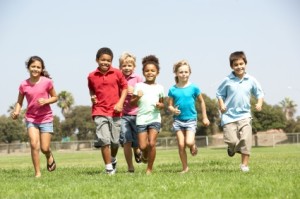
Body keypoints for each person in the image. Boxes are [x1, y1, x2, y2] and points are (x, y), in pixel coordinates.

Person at [216, 51, 264, 172]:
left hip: (245, 115)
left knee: (246, 140)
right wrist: (221, 105)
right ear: (232, 66)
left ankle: (244, 165)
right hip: (228, 116)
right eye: (236, 64)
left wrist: (259, 103)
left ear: (245, 63)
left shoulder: (251, 80)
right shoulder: (227, 80)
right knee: (231, 140)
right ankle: (232, 148)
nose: (239, 67)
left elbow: (259, 93)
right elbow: (219, 94)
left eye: (241, 63)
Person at [11, 56, 58, 178]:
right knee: (33, 144)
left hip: (46, 118)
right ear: (28, 68)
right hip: (31, 118)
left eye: (38, 67)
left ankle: (49, 155)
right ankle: (37, 173)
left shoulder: (47, 82)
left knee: (44, 148)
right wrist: (16, 111)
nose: (35, 69)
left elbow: (55, 97)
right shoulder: (24, 85)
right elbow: (19, 102)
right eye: (33, 66)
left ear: (41, 69)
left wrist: (46, 101)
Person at [88, 47, 128, 175]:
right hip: (99, 111)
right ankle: (109, 168)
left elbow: (125, 88)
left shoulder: (117, 73)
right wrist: (93, 97)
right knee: (104, 140)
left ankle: (113, 158)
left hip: (115, 112)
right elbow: (92, 90)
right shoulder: (91, 76)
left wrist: (120, 102)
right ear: (97, 60)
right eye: (102, 60)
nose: (105, 62)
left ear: (112, 61)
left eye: (108, 60)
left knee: (115, 142)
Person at [168, 60, 210, 173]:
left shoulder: (194, 88)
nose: (183, 74)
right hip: (178, 121)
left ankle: (193, 146)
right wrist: (172, 109)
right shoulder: (172, 89)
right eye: (181, 72)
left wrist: (205, 117)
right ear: (176, 73)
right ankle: (185, 168)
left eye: (186, 72)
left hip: (191, 119)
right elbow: (170, 105)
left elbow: (202, 102)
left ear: (189, 73)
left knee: (189, 142)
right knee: (181, 145)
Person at [131, 55, 164, 175]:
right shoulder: (139, 86)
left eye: (152, 71)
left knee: (152, 143)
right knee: (143, 146)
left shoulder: (160, 88)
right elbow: (132, 103)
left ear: (157, 73)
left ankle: (149, 169)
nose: (150, 72)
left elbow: (162, 104)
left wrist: (160, 106)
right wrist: (137, 97)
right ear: (143, 72)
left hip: (155, 118)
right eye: (147, 71)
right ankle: (145, 155)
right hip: (141, 119)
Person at [118, 52, 143, 172]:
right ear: (120, 67)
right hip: (123, 115)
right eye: (124, 65)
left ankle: (137, 150)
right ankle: (130, 167)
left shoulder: (138, 78)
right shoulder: (118, 78)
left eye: (129, 65)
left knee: (137, 142)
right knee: (126, 140)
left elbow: (142, 94)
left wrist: (135, 91)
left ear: (134, 67)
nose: (127, 68)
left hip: (137, 114)